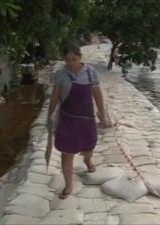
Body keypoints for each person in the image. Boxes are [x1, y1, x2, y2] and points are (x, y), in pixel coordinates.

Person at [46, 42, 110, 199]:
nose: (71, 63)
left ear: (80, 57)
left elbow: (97, 93)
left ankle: (88, 160)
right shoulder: (61, 74)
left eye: (74, 59)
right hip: (67, 119)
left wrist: (103, 113)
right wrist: (50, 114)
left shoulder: (90, 72)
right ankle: (69, 185)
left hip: (86, 119)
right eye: (67, 60)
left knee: (88, 147)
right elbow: (55, 95)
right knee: (66, 153)